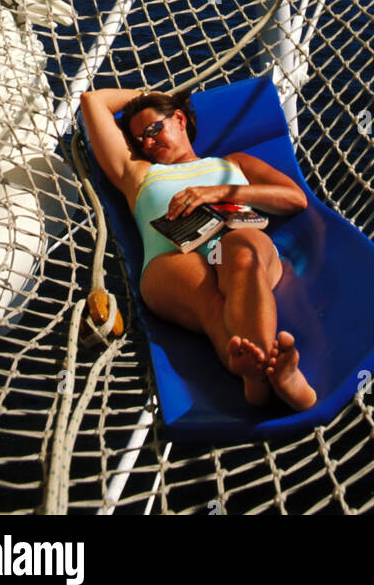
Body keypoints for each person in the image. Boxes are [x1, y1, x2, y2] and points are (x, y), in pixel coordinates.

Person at [80, 86, 317, 413]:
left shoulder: (235, 163)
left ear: (179, 119)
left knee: (243, 254)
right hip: (173, 260)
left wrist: (218, 192)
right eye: (139, 140)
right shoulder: (136, 173)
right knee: (208, 299)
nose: (147, 143)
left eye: (153, 129)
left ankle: (262, 374)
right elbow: (92, 101)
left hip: (235, 243)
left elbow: (295, 199)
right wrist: (149, 95)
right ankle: (266, 375)